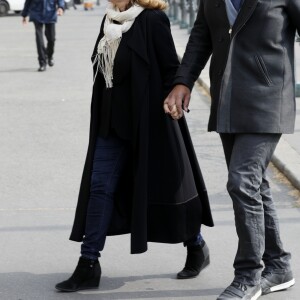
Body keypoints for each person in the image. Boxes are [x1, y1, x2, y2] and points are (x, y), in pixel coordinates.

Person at [55, 0, 214, 292]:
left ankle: (196, 245)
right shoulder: (111, 21)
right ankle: (88, 263)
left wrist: (175, 102)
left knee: (166, 189)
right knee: (99, 187)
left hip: (149, 122)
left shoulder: (152, 21)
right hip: (111, 124)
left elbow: (170, 68)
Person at [164, 0, 298, 299]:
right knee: (254, 185)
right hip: (227, 100)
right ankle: (278, 266)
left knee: (242, 182)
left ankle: (248, 276)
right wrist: (183, 81)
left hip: (269, 99)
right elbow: (201, 36)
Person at [21, 0, 64, 72]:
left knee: (51, 39)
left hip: (50, 14)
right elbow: (28, 1)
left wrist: (60, 7)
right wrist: (24, 15)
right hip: (37, 14)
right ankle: (42, 63)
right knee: (39, 39)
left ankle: (49, 56)